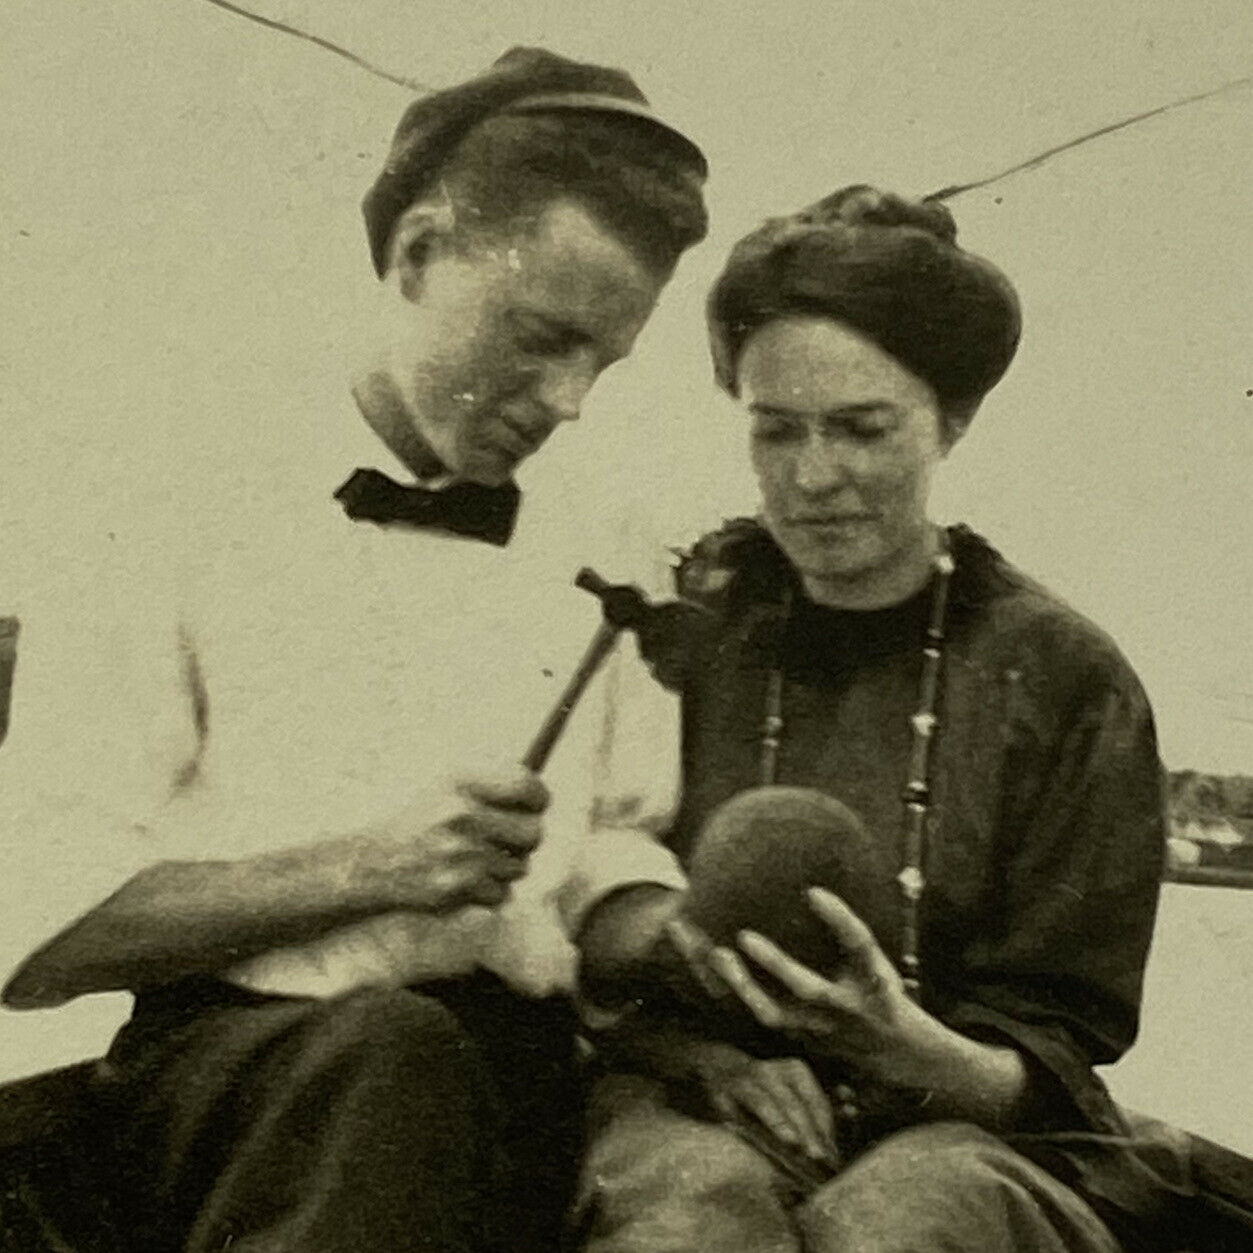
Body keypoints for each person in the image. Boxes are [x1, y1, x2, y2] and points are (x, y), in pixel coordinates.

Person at [0, 47, 705, 1253]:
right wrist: (373, 867)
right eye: (540, 336)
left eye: (604, 358)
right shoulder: (165, 497)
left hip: (514, 1086)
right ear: (416, 253)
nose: (569, 399)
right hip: (241, 1086)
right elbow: (41, 927)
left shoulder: (612, 538)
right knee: (391, 1053)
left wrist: (673, 933)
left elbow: (607, 845)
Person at [570, 186, 1191, 1252]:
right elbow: (585, 937)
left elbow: (1050, 1066)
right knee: (687, 1215)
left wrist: (901, 1047)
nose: (814, 477)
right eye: (775, 431)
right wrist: (710, 1059)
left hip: (966, 1133)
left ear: (951, 418)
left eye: (862, 428)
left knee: (896, 1224)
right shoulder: (682, 623)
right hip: (691, 1100)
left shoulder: (1064, 676)